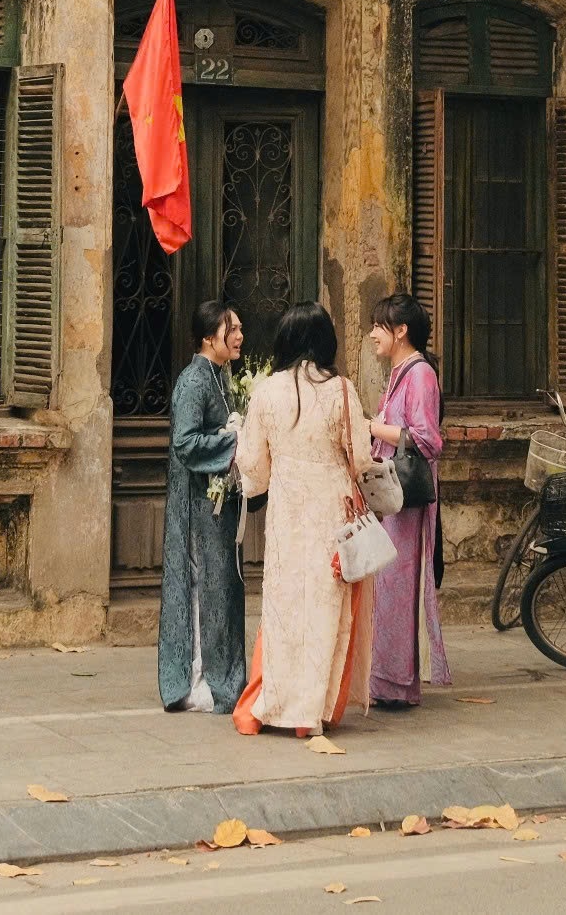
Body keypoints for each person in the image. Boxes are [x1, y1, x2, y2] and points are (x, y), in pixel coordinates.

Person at [232, 302, 374, 739]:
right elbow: (361, 458)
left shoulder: (266, 392)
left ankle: (275, 703)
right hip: (332, 510)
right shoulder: (341, 390)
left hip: (287, 513)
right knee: (325, 608)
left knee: (284, 607)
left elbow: (253, 469)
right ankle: (311, 713)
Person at [159, 301, 248, 713]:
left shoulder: (220, 376)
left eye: (240, 328)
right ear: (210, 337)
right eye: (232, 329)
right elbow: (185, 443)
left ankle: (223, 679)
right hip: (197, 507)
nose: (240, 336)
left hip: (217, 504)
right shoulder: (194, 380)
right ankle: (197, 682)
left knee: (223, 589)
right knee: (203, 590)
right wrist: (231, 440)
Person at [365, 293, 449, 709]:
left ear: (401, 330)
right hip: (391, 497)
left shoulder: (420, 375)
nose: (372, 334)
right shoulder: (401, 372)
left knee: (398, 586)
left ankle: (397, 684)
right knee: (385, 585)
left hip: (407, 500)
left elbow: (427, 439)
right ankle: (384, 680)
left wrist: (371, 427)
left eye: (378, 326)